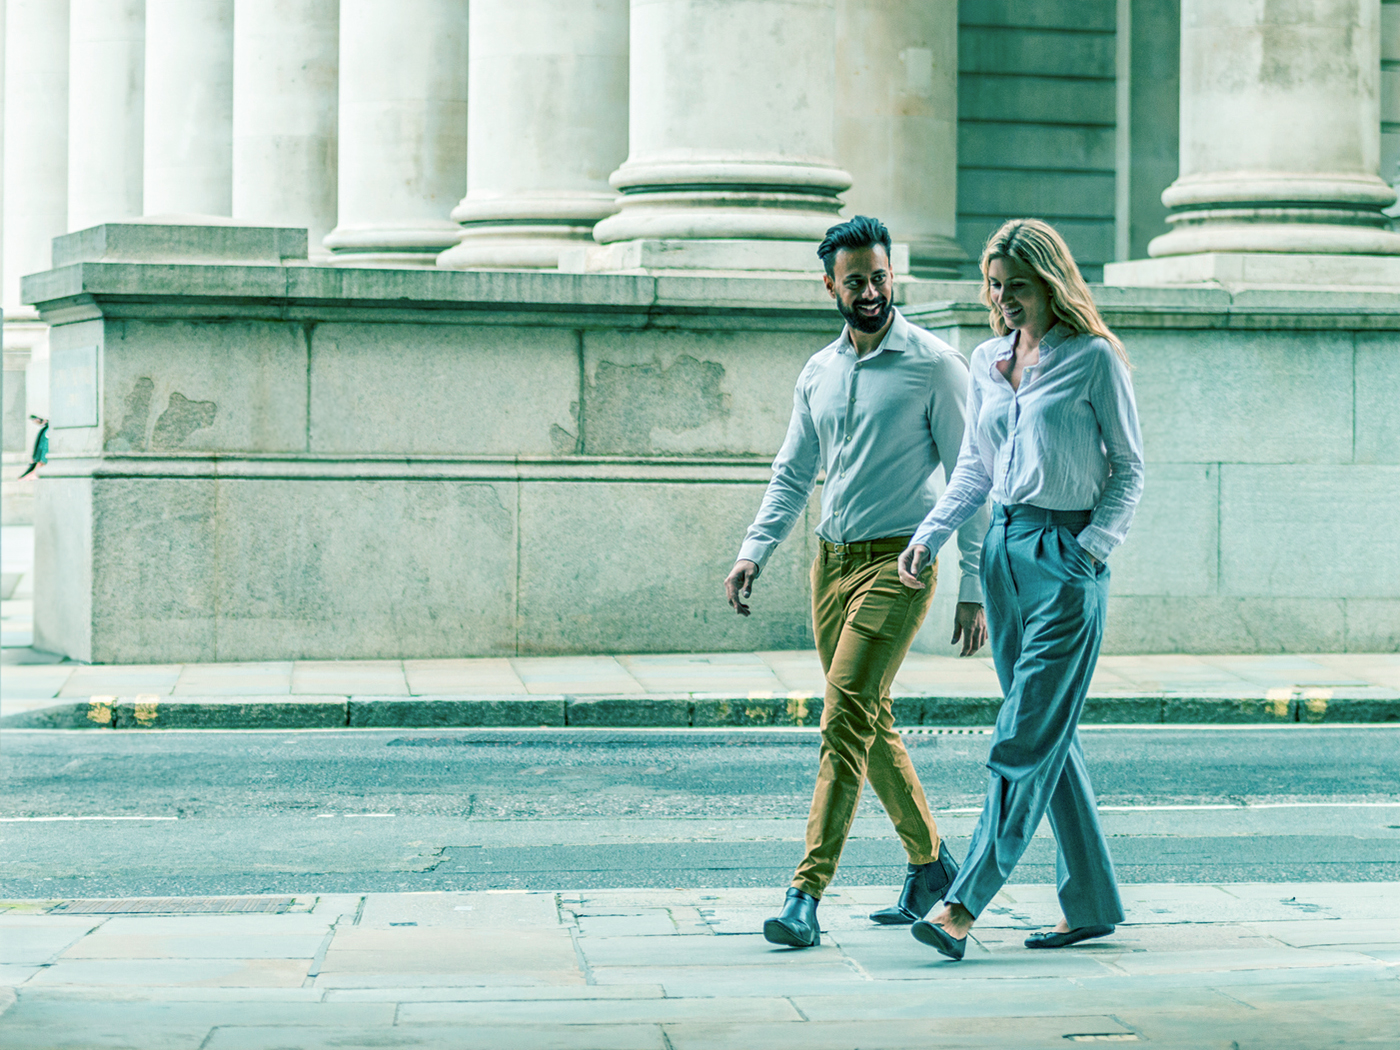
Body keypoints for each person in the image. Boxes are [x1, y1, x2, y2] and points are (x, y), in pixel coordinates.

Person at [724, 215, 991, 949]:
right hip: (830, 563)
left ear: (891, 276)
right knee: (867, 718)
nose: (870, 291)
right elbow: (791, 472)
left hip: (901, 562)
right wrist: (756, 550)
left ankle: (806, 894)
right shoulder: (819, 370)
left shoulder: (936, 366)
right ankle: (932, 865)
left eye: (879, 278)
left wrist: (973, 582)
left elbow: (972, 477)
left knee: (842, 719)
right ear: (830, 287)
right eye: (855, 282)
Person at [895, 218, 1145, 960]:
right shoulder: (986, 360)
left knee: (1019, 740)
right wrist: (930, 533)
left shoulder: (1092, 358)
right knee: (1043, 735)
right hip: (1003, 551)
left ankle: (961, 905)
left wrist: (1089, 553)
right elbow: (974, 466)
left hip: (1062, 558)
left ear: (1051, 283)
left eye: (1018, 287)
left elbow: (1130, 468)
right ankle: (1092, 902)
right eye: (996, 287)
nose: (1003, 300)